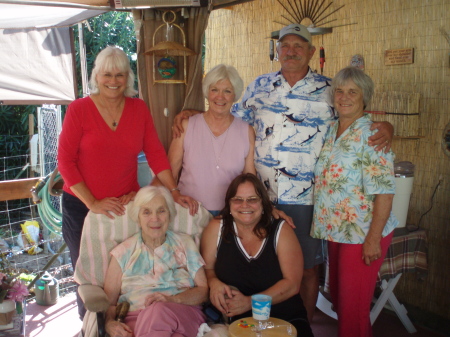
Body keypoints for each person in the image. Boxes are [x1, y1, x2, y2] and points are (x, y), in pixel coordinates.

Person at [172, 23, 393, 322]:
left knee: (306, 268)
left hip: (307, 199)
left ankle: (303, 324)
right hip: (259, 198)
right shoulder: (258, 87)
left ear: (311, 52)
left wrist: (387, 127)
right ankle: (249, 320)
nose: (290, 51)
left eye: (298, 46)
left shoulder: (329, 90)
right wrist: (192, 114)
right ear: (277, 51)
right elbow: (224, 116)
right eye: (285, 46)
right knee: (249, 262)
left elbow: (353, 117)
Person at [57, 46, 197, 318]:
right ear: (96, 76)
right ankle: (92, 328)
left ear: (128, 78)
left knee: (125, 274)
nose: (113, 80)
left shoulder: (138, 108)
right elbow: (65, 162)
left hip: (126, 207)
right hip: (81, 207)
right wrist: (93, 203)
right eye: (107, 74)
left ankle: (125, 324)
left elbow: (156, 153)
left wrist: (174, 191)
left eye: (120, 74)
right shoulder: (79, 109)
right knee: (90, 278)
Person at [311, 66, 398, 337]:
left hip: (362, 233)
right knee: (340, 302)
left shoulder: (372, 135)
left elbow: (384, 191)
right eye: (339, 90)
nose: (344, 97)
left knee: (353, 310)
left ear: (365, 97)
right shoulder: (332, 129)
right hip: (337, 231)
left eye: (353, 92)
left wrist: (373, 238)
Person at [201, 173, 314, 336]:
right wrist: (214, 282)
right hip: (241, 321)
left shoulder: (281, 230)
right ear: (229, 204)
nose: (244, 205)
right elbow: (207, 269)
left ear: (263, 204)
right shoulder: (216, 228)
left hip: (285, 316)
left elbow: (292, 284)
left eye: (252, 199)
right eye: (237, 199)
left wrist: (250, 303)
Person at [104, 185, 208, 337]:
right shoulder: (123, 252)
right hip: (136, 320)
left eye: (161, 211)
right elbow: (109, 302)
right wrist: (109, 323)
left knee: (158, 309)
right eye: (147, 212)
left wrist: (172, 300)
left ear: (170, 214)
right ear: (137, 217)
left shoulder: (184, 244)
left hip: (184, 313)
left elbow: (203, 291)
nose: (155, 219)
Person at [168, 64, 256, 215]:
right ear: (207, 92)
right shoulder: (187, 125)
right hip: (189, 212)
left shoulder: (246, 131)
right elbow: (171, 172)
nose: (220, 97)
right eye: (214, 90)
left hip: (230, 214)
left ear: (235, 95)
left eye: (227, 91)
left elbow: (250, 178)